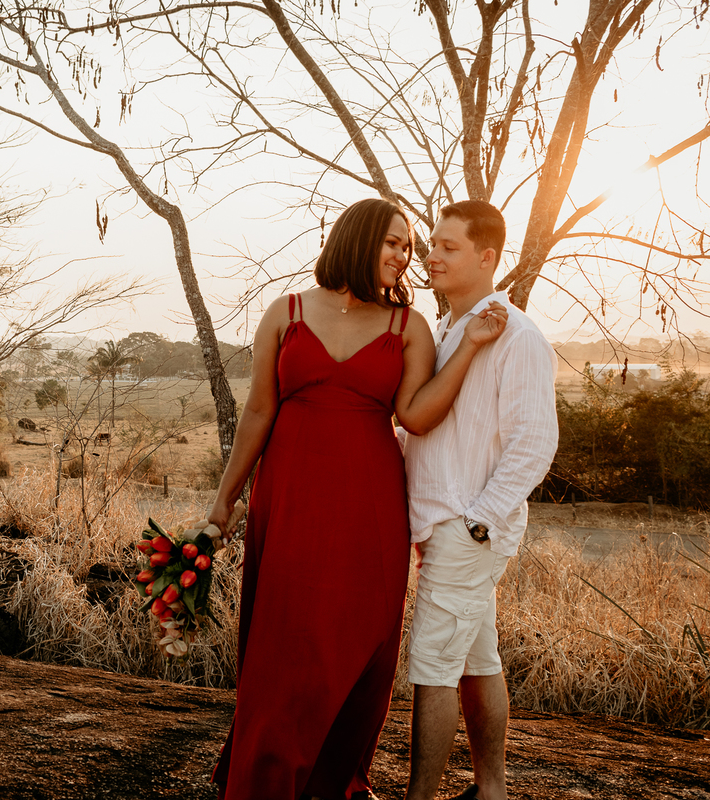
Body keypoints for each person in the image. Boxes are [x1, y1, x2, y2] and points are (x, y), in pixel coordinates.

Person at [207, 197, 507, 800]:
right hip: (289, 502)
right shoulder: (285, 313)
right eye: (393, 243)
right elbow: (259, 411)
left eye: (409, 247)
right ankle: (264, 777)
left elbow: (416, 416)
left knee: (353, 650)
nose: (405, 256)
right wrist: (222, 505)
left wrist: (470, 346)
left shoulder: (409, 327)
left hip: (368, 510)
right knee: (284, 647)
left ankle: (331, 779)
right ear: (357, 239)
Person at [401, 200, 558, 800]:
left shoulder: (515, 335)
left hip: (467, 528)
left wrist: (479, 523)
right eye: (431, 245)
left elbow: (535, 442)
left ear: (487, 257)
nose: (431, 256)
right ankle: (490, 790)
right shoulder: (447, 330)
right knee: (476, 660)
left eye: (448, 247)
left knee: (432, 667)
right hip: (446, 524)